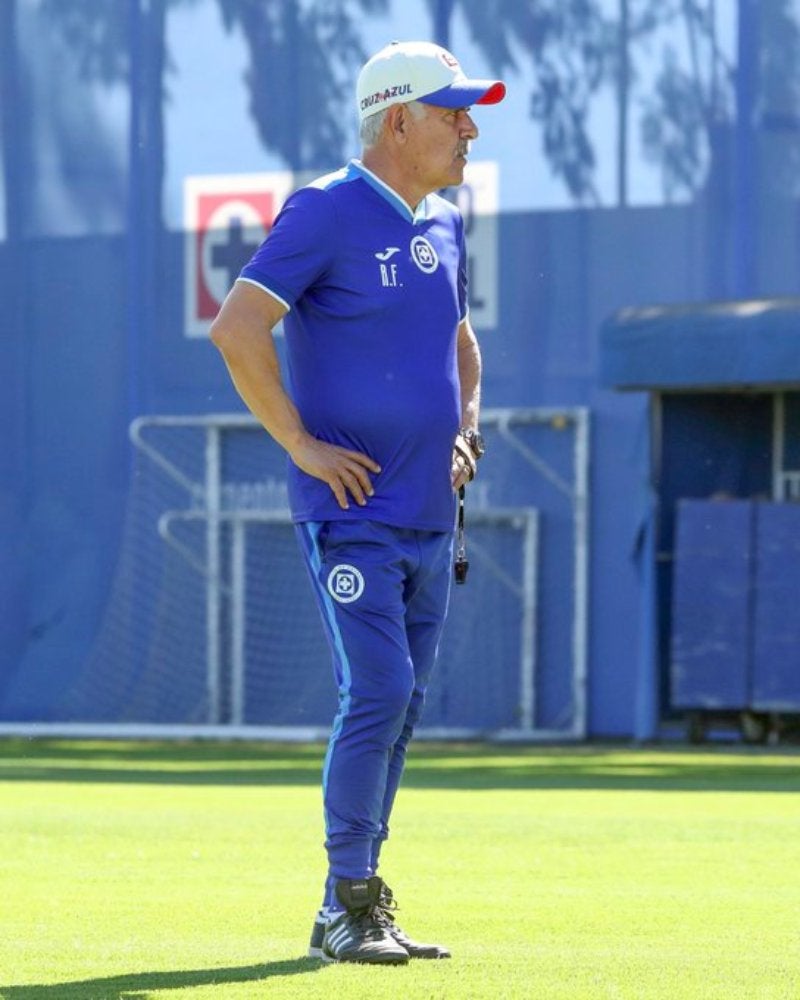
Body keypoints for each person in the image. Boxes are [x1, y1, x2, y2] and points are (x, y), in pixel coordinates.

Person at [210, 39, 505, 965]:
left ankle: (355, 907)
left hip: (428, 512)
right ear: (398, 120)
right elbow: (238, 325)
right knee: (377, 688)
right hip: (352, 515)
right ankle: (349, 899)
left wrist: (466, 428)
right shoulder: (328, 209)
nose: (470, 126)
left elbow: (463, 348)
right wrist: (299, 445)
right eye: (454, 110)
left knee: (403, 701)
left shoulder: (447, 224)